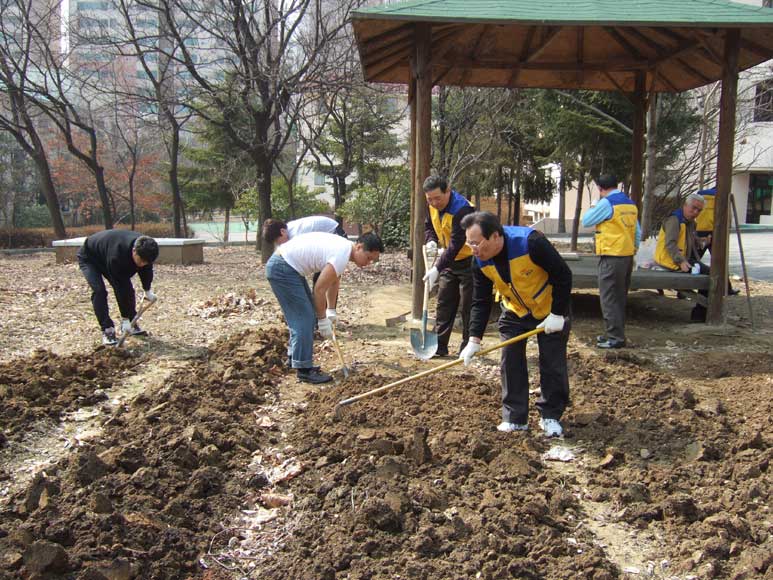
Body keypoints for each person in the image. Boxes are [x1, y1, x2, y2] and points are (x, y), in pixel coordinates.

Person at [458, 212, 572, 438]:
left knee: (552, 361)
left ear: (495, 236)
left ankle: (550, 416)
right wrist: (474, 339)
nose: (473, 249)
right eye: (469, 243)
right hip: (514, 310)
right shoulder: (479, 260)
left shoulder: (530, 243)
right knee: (510, 359)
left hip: (549, 308)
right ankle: (515, 418)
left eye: (476, 242)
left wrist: (558, 314)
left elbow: (563, 274)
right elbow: (480, 301)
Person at [265, 231, 384, 384]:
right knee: (305, 318)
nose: (368, 263)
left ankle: (295, 358)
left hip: (287, 266)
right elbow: (319, 290)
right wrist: (322, 320)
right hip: (283, 268)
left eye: (372, 261)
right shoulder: (342, 253)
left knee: (305, 316)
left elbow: (334, 281)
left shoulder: (344, 250)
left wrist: (331, 310)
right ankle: (304, 370)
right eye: (368, 258)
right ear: (359, 247)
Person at [581, 174, 641, 349]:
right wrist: (633, 250)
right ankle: (615, 333)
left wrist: (593, 205)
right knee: (620, 297)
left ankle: (615, 338)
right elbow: (637, 232)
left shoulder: (607, 203)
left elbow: (587, 221)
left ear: (600, 189)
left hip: (611, 256)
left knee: (609, 299)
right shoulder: (629, 204)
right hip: (627, 256)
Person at [422, 175, 475, 358]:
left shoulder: (463, 209)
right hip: (449, 261)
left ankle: (468, 347)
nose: (434, 202)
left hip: (470, 261)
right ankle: (439, 346)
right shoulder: (431, 205)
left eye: (438, 198)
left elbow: (457, 243)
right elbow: (429, 225)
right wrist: (431, 241)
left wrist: (437, 267)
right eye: (430, 199)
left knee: (469, 305)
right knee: (444, 303)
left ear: (448, 191)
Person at [77, 230, 159, 345]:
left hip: (106, 253)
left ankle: (131, 321)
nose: (142, 265)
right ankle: (107, 329)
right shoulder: (117, 255)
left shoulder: (146, 249)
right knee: (99, 291)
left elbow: (146, 270)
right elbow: (120, 287)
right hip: (90, 258)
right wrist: (124, 318)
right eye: (141, 261)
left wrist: (147, 289)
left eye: (146, 262)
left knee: (129, 291)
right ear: (134, 251)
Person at [262, 216, 349, 319]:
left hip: (334, 233)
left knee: (325, 279)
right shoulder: (285, 233)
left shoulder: (296, 235)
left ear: (282, 231)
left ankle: (327, 315)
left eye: (277, 241)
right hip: (322, 240)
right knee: (319, 282)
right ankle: (320, 315)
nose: (278, 244)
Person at [654, 193, 710, 322]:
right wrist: (681, 261)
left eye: (699, 210)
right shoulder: (674, 220)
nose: (696, 212)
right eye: (693, 208)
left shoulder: (690, 223)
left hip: (683, 259)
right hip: (670, 260)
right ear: (685, 205)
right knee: (708, 276)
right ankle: (699, 315)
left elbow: (691, 241)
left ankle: (700, 313)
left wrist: (702, 241)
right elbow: (670, 244)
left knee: (709, 274)